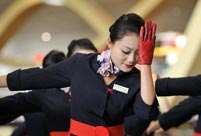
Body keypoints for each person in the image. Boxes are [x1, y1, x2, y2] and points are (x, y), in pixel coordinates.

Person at [0, 13, 159, 136]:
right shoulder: (81, 64)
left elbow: (145, 111)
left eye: (138, 53)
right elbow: (35, 78)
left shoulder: (137, 79)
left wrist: (146, 63)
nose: (131, 59)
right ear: (109, 43)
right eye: (125, 51)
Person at [0, 38, 98, 136]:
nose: (88, 69)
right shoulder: (49, 97)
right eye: (82, 63)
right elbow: (15, 103)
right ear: (68, 66)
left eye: (93, 63)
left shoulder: (107, 92)